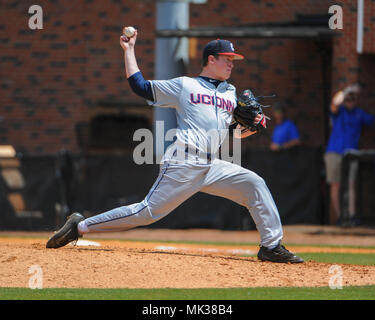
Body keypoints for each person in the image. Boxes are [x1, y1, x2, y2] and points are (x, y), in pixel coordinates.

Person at [46, 30, 303, 263]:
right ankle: (79, 226)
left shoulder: (229, 93)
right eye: (227, 58)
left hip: (210, 164)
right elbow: (141, 87)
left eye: (233, 60)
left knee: (254, 183)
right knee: (147, 212)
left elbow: (232, 133)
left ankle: (271, 246)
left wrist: (254, 126)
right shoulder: (184, 86)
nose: (231, 64)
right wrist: (129, 50)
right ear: (210, 59)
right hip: (183, 161)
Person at [324, 88, 374, 225]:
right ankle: (340, 218)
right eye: (347, 99)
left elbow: (371, 121)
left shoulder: (359, 113)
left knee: (351, 184)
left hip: (352, 154)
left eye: (352, 99)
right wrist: (348, 90)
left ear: (356, 101)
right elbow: (334, 103)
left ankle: (351, 217)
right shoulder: (339, 112)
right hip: (334, 152)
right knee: (335, 185)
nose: (350, 102)